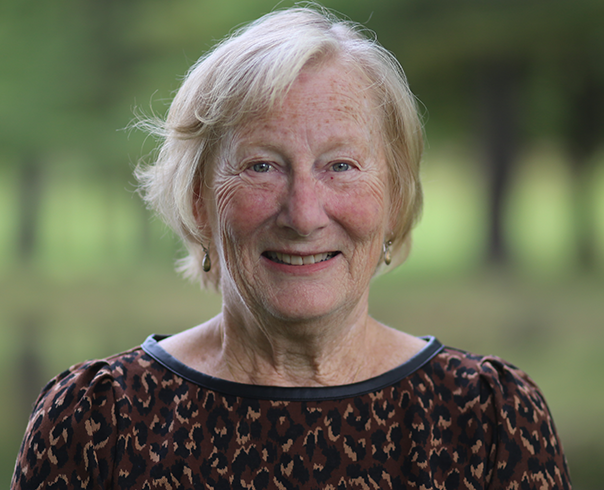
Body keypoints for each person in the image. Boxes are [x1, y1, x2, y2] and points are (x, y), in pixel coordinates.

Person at [12, 6, 571, 489]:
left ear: (395, 200)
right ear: (199, 200)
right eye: (262, 166)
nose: (304, 214)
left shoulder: (491, 420)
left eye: (341, 166)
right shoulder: (96, 423)